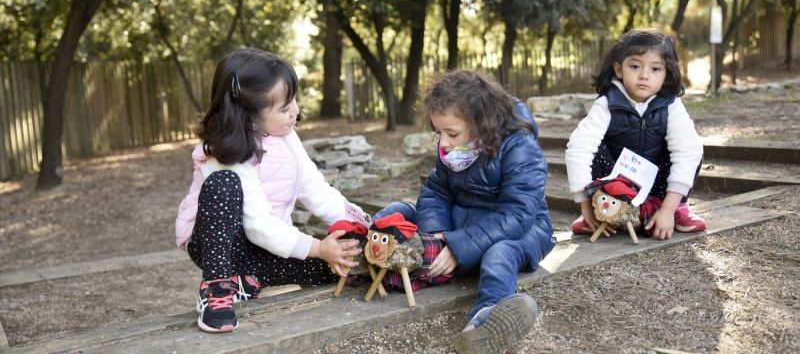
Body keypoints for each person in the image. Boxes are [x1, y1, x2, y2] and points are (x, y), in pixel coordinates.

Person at [174, 48, 369, 333]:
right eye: (284, 107)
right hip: (220, 246)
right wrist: (318, 248)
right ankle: (217, 289)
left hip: (265, 244)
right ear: (249, 117)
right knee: (223, 183)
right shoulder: (224, 153)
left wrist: (365, 225)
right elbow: (259, 225)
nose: (296, 111)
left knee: (340, 263)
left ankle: (248, 279)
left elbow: (316, 190)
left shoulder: (287, 137)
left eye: (294, 101)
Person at [374, 70, 556, 353]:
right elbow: (436, 192)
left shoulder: (520, 146)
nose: (444, 142)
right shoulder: (453, 149)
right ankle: (362, 254)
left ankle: (485, 320)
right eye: (439, 132)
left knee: (500, 254)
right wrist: (437, 236)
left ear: (482, 122)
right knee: (398, 211)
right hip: (463, 226)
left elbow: (518, 213)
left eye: (452, 133)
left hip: (522, 230)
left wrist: (459, 247)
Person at [565, 28, 706, 241]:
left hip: (658, 186)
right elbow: (578, 149)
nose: (644, 75)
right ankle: (597, 209)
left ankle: (678, 208)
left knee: (689, 145)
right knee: (587, 145)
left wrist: (668, 210)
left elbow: (687, 153)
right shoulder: (607, 104)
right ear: (619, 69)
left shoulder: (671, 106)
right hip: (616, 186)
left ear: (666, 74)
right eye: (635, 66)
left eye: (655, 69)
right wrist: (585, 204)